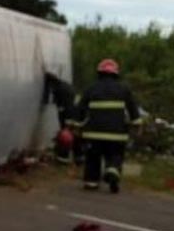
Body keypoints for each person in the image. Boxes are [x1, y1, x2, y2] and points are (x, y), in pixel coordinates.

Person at [76, 58, 141, 193]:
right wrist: (136, 125)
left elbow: (80, 110)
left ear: (99, 73)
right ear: (116, 74)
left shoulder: (91, 88)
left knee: (93, 158)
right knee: (115, 155)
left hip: (93, 134)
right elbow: (133, 110)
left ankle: (91, 182)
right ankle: (113, 170)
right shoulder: (124, 89)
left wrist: (76, 126)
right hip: (117, 134)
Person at [45, 71, 83, 165]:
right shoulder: (65, 85)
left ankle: (63, 158)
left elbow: (56, 103)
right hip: (75, 113)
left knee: (66, 135)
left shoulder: (57, 89)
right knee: (74, 134)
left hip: (67, 114)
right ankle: (79, 157)